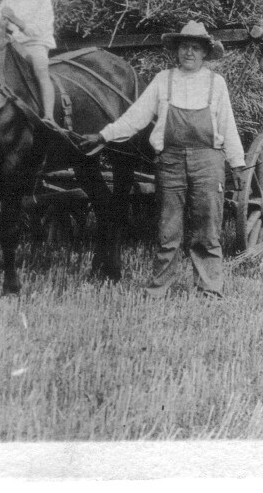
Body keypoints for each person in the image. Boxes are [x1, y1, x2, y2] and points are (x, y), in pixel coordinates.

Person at [81, 21, 247, 298]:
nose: (189, 53)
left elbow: (228, 125)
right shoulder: (163, 80)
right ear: (176, 51)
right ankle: (158, 289)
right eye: (184, 47)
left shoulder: (216, 84)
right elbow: (136, 117)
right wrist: (103, 136)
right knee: (168, 231)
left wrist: (238, 164)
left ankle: (210, 289)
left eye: (195, 48)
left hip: (208, 162)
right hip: (170, 162)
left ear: (205, 52)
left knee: (207, 229)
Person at [0, 0, 57, 124]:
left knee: (40, 68)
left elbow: (38, 30)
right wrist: (1, 21)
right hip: (13, 43)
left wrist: (14, 20)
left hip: (35, 44)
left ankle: (49, 115)